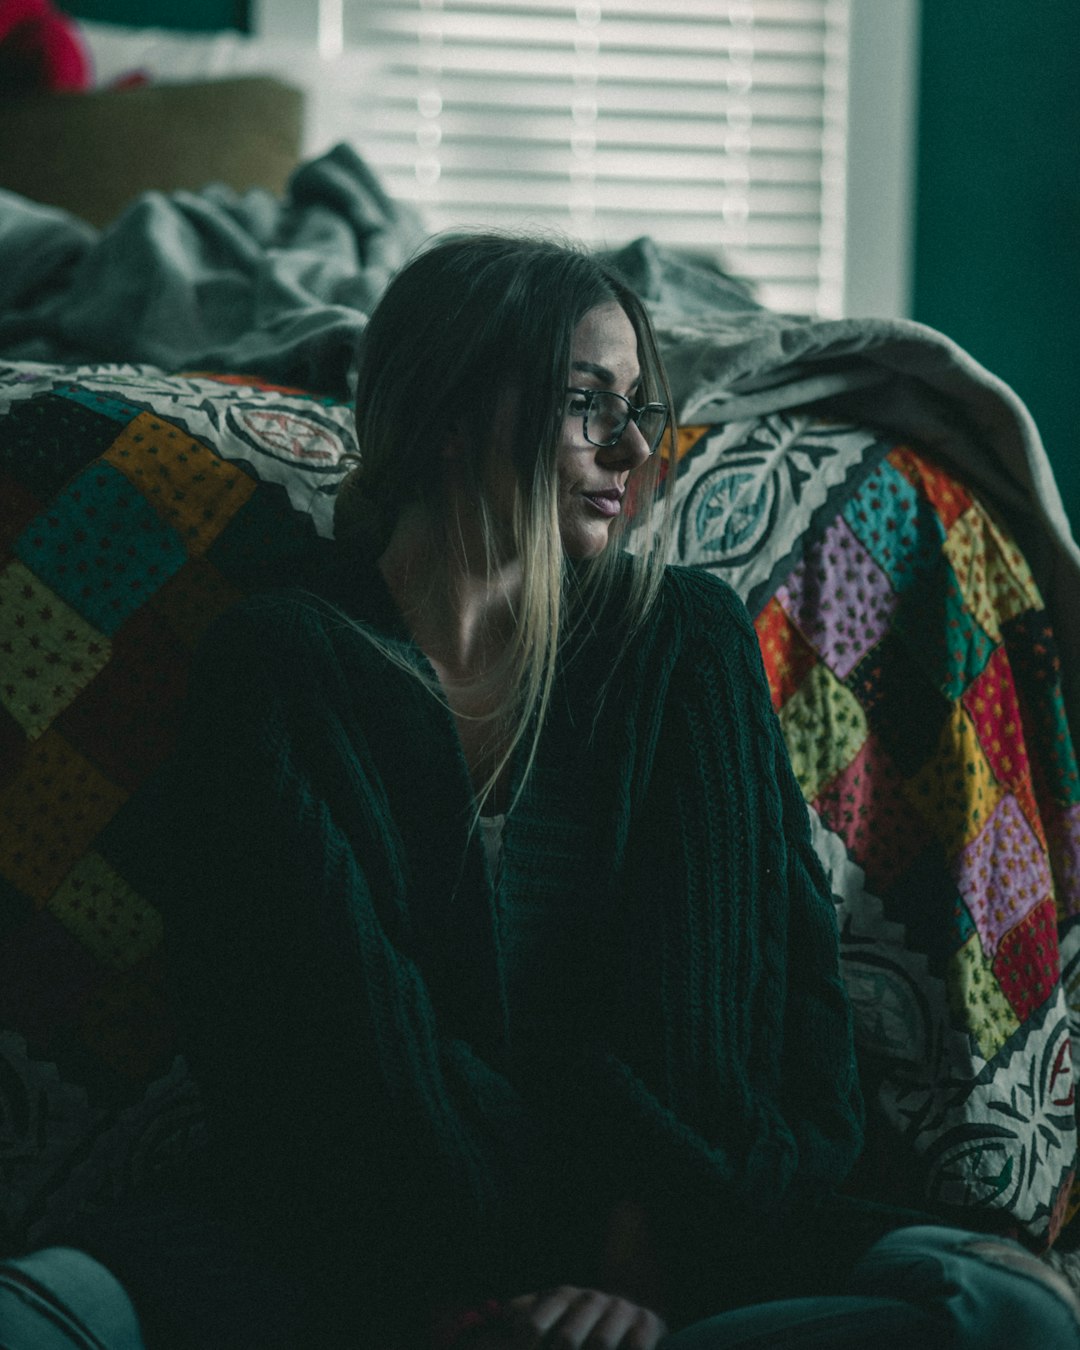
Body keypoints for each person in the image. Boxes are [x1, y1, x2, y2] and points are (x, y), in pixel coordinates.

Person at [2, 232, 1079, 1350]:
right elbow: (311, 1047)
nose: (631, 449)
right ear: (455, 412)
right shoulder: (280, 665)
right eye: (587, 404)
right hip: (347, 1248)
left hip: (677, 1250)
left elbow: (756, 1012)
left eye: (639, 410)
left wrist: (635, 1263)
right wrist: (477, 1292)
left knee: (1009, 1311)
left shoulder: (680, 643)